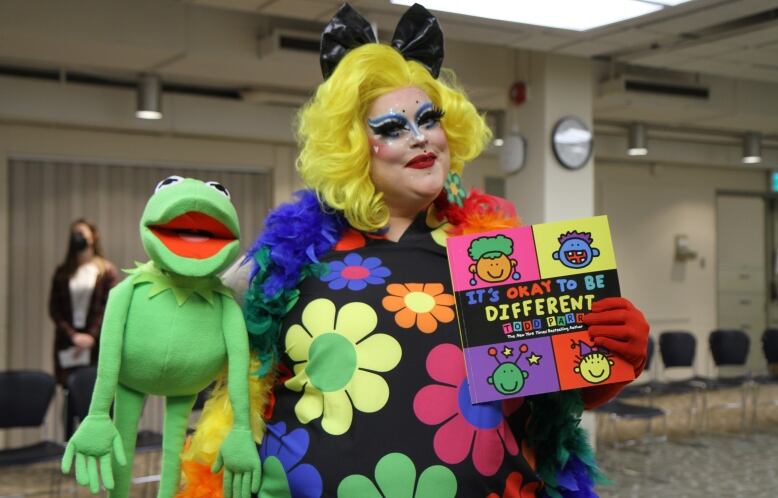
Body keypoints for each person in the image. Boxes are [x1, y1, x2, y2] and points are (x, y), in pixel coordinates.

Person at [180, 4, 649, 497]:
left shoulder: (498, 255)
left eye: (429, 119)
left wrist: (608, 357)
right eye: (391, 128)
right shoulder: (288, 255)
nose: (420, 136)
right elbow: (204, 359)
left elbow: (551, 398)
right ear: (352, 146)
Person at [49, 218, 118, 387]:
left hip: (96, 342)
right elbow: (54, 309)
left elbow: (109, 307)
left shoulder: (106, 271)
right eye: (74, 235)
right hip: (68, 342)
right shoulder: (63, 272)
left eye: (81, 233)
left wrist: (90, 336)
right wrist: (74, 336)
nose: (76, 238)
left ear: (93, 236)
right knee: (69, 391)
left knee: (94, 389)